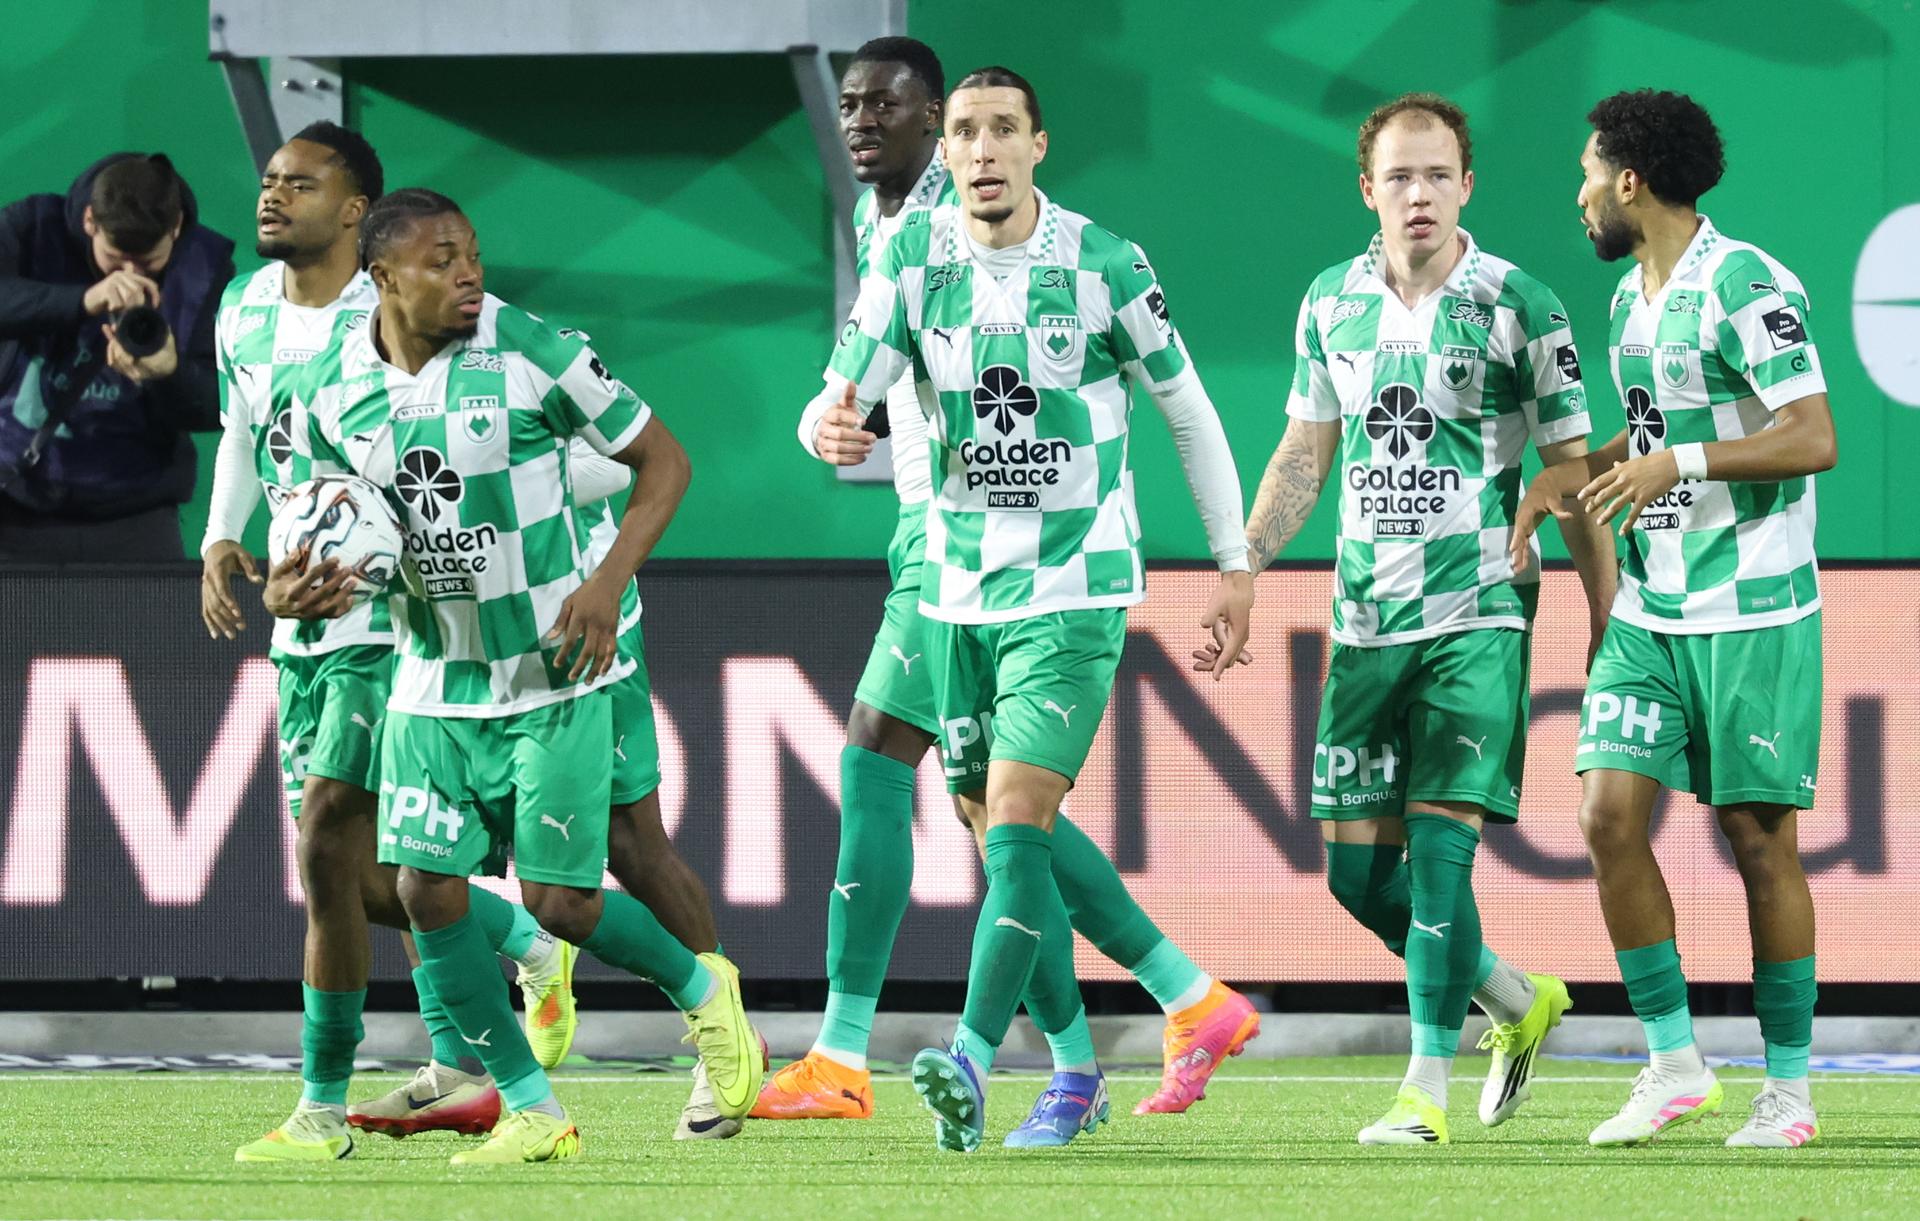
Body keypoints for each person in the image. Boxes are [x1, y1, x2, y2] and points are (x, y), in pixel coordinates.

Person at [765, 39, 1260, 1140]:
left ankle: (968, 1061)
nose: (981, 151)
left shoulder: (1104, 265)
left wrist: (1234, 566)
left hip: (1073, 581)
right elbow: (836, 396)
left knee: (1014, 819)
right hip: (948, 579)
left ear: (1038, 147)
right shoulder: (904, 254)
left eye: (999, 131)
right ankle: (1139, 1032)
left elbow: (1187, 412)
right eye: (966, 136)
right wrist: (824, 423)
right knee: (989, 822)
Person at [292, 188, 759, 1165]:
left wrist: (605, 582)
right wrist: (311, 586)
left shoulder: (533, 350)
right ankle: (532, 1108)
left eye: (472, 254)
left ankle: (707, 995)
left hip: (554, 674)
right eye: (441, 259)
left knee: (562, 906)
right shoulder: (332, 386)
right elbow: (331, 527)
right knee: (426, 890)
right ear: (381, 278)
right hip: (432, 680)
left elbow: (663, 462)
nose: (469, 274)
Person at [1223, 93, 1616, 1146]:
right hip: (1363, 620)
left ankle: (1422, 1089)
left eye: (1438, 174)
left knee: (1441, 858)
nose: (1420, 193)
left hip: (1478, 610)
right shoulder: (1329, 304)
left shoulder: (1519, 305)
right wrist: (1246, 562)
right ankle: (1513, 996)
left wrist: (1603, 615)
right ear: (1369, 191)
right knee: (1358, 877)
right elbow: (1308, 450)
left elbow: (1576, 471)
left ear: (1467, 185)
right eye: (1399, 176)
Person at [211, 125, 591, 1164]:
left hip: (395, 625)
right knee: (349, 875)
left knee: (335, 833)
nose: (273, 194)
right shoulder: (244, 310)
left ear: (357, 215)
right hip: (307, 621)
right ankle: (518, 948)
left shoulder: (415, 313)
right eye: (269, 178)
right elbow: (255, 441)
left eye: (302, 181)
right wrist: (230, 542)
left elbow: (549, 458)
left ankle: (334, 1108)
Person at [1517, 89, 1835, 1149]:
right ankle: (1673, 1064)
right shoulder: (1631, 303)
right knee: (1606, 818)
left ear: (1630, 180)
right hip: (1655, 604)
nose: (1579, 196)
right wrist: (1572, 474)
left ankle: (1787, 1090)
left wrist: (1676, 463)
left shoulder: (1748, 283)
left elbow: (1811, 435)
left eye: (1585, 173)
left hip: (1752, 604)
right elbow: (1656, 428)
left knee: (1757, 844)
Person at [0, 153, 233, 559]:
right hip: (16, 498)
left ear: (175, 229)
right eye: (115, 258)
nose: (129, 274)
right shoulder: (33, 226)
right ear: (90, 221)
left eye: (147, 263)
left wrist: (170, 373)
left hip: (135, 514)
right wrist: (82, 299)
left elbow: (221, 406)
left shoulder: (206, 270)